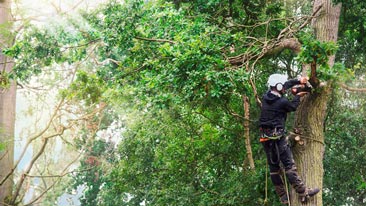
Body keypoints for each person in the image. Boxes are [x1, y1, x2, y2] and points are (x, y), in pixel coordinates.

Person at [259, 74, 319, 204]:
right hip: (278, 138)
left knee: (274, 169)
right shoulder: (282, 102)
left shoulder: (266, 96)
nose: (284, 88)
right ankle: (303, 192)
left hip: (265, 139)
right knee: (289, 166)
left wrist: (298, 80)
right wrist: (297, 96)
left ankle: (283, 197)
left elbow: (284, 85)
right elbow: (292, 107)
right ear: (278, 86)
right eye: (282, 86)